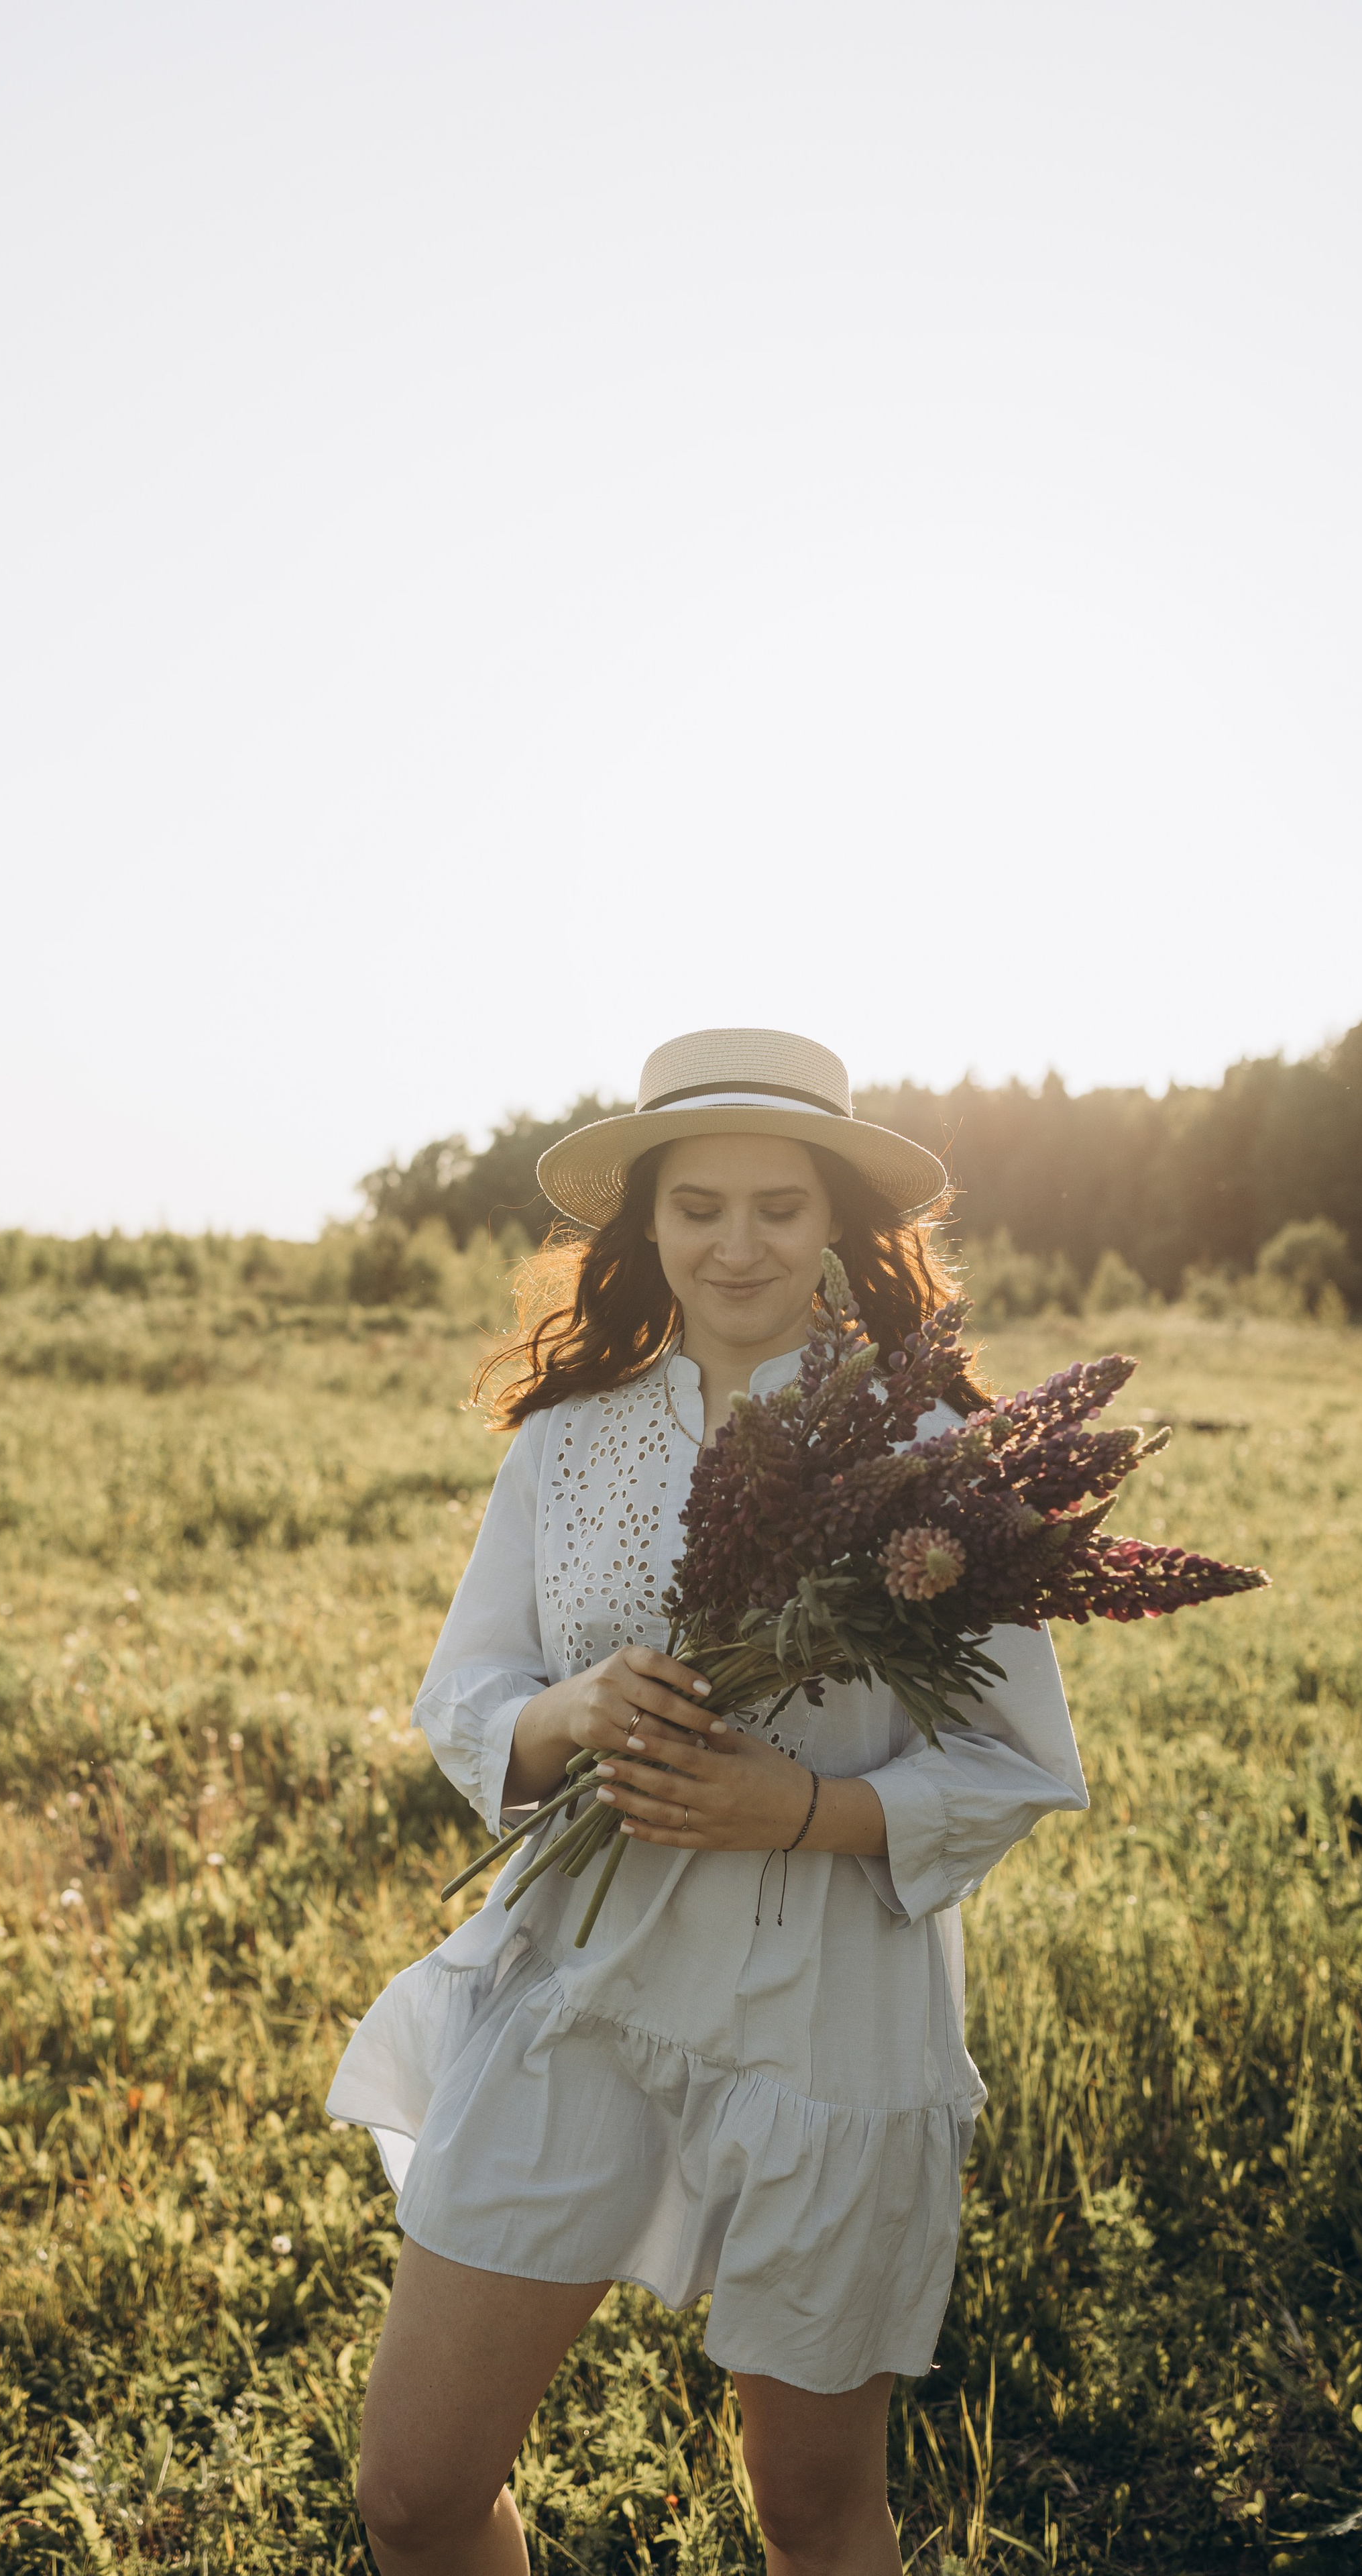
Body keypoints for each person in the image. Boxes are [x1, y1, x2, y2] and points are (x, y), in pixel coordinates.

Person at [328, 1027, 1088, 2576]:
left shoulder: (935, 1454)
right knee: (411, 2491)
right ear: (646, 1228)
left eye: (776, 1208)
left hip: (827, 2014)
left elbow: (1018, 1764)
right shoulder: (565, 1443)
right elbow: (461, 1696)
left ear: (836, 1229)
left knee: (811, 2509)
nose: (735, 1244)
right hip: (583, 1986)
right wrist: (568, 1710)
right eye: (697, 1209)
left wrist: (800, 1810)